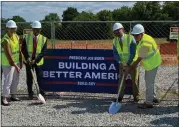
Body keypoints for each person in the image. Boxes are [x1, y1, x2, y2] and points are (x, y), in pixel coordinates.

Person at [124, 24, 161, 109]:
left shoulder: (145, 43)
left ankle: (148, 103)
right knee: (150, 80)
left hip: (152, 63)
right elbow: (137, 54)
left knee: (149, 82)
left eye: (137, 35)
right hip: (151, 62)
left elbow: (139, 59)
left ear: (142, 33)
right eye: (134, 35)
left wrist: (129, 69)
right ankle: (153, 97)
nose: (135, 37)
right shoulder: (141, 39)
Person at [112, 23, 139, 103]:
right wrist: (119, 62)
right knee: (121, 80)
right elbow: (115, 53)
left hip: (133, 63)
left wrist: (128, 64)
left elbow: (133, 53)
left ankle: (136, 97)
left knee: (134, 81)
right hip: (122, 64)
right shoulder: (114, 41)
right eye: (115, 31)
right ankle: (119, 97)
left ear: (122, 29)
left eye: (118, 30)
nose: (116, 32)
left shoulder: (130, 38)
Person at [21, 21, 47, 100]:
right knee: (29, 78)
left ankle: (41, 93)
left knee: (40, 78)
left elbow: (43, 52)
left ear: (40, 29)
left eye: (38, 30)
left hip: (38, 62)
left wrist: (35, 60)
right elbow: (23, 49)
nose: (36, 31)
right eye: (35, 29)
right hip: (29, 61)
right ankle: (30, 93)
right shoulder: (27, 37)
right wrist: (27, 58)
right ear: (32, 29)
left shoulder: (44, 39)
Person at [1, 20, 23, 106]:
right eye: (11, 29)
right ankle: (4, 98)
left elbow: (19, 50)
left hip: (16, 62)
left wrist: (20, 61)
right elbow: (8, 54)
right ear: (7, 29)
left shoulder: (16, 37)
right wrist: (14, 64)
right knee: (8, 80)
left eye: (14, 28)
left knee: (15, 79)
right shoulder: (5, 40)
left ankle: (13, 95)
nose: (12, 30)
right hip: (7, 63)